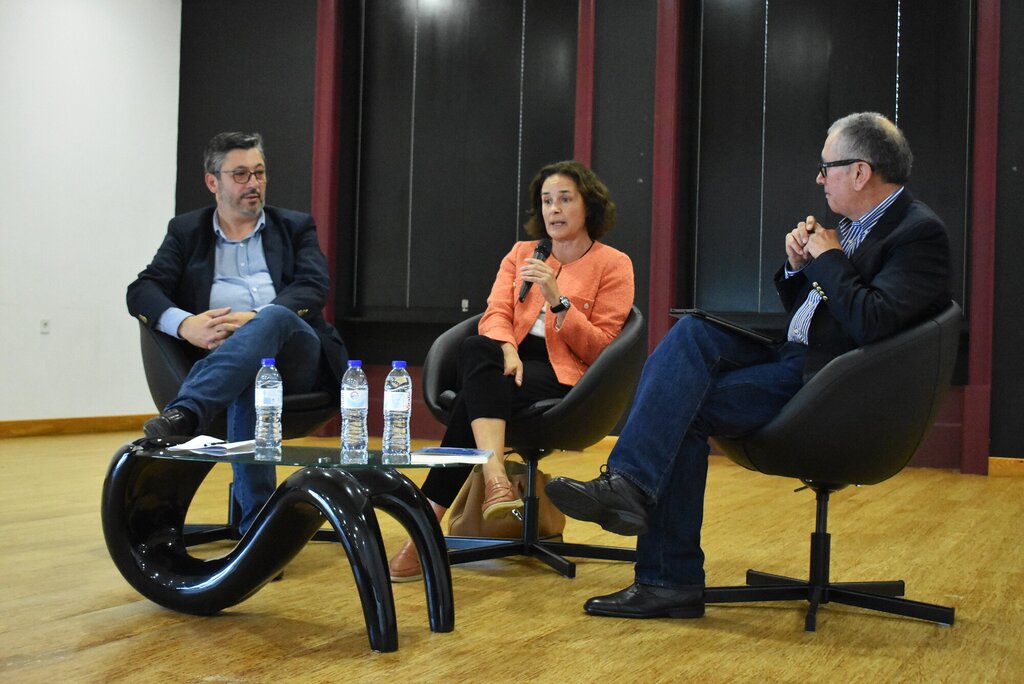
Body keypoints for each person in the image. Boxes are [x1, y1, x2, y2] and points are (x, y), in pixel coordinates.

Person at [545, 112, 952, 619]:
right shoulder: (850, 228)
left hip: (832, 384)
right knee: (691, 330)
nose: (820, 178)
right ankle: (629, 488)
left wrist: (828, 260)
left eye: (828, 168)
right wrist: (799, 268)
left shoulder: (917, 234)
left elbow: (872, 322)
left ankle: (666, 576)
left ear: (861, 172)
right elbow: (822, 309)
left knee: (683, 409)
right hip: (795, 356)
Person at [388, 160, 635, 581]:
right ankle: (494, 479)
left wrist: (558, 300)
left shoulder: (613, 264)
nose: (553, 210)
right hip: (507, 362)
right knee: (478, 351)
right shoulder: (522, 253)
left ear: (588, 205)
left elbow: (603, 349)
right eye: (546, 201)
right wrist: (507, 348)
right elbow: (495, 312)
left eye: (564, 199)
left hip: (566, 375)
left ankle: (427, 528)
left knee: (473, 392)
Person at [127, 131, 347, 534]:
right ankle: (258, 530)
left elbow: (313, 288)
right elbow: (142, 290)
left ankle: (187, 411)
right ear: (213, 182)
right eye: (241, 174)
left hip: (298, 355)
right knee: (250, 374)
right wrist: (186, 324)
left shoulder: (294, 227)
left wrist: (257, 318)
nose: (253, 184)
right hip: (232, 361)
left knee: (275, 320)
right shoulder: (186, 231)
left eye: (259, 173)